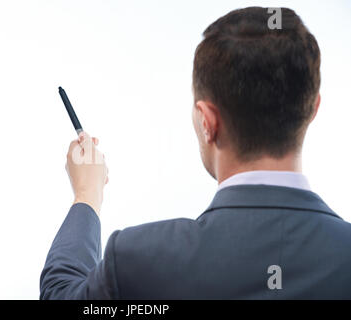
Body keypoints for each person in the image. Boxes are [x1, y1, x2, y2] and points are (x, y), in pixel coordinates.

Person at [40, 7, 351, 299]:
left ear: (207, 122)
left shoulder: (139, 260)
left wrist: (87, 195)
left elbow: (61, 292)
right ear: (313, 109)